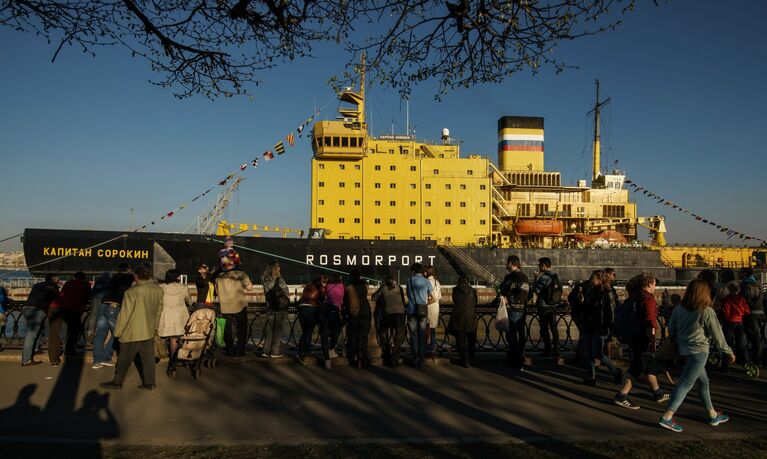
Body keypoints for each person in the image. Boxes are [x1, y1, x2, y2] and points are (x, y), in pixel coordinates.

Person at [658, 278, 734, 433]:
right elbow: (718, 335)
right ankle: (667, 416)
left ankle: (713, 415)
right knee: (685, 384)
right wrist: (728, 352)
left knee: (703, 383)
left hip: (684, 351)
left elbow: (671, 329)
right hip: (699, 352)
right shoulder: (706, 311)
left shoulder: (679, 309)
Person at [100, 263, 164, 390]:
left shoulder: (131, 291)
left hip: (132, 331)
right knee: (148, 359)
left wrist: (117, 332)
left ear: (136, 276)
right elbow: (159, 310)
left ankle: (117, 382)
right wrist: (154, 326)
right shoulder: (158, 290)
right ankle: (150, 382)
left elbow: (125, 314)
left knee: (124, 359)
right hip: (148, 330)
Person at [614, 273, 669, 409]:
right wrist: (652, 340)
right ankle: (621, 395)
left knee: (647, 363)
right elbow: (650, 320)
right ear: (649, 283)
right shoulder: (648, 298)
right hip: (643, 336)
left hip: (633, 335)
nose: (655, 286)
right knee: (637, 367)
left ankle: (658, 393)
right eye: (654, 283)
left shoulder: (634, 296)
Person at [580, 271, 622, 386]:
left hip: (599, 326)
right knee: (588, 352)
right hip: (589, 324)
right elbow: (588, 308)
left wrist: (609, 327)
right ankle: (591, 376)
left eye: (592, 278)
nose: (590, 280)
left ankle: (616, 371)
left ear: (599, 279)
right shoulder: (591, 291)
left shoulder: (606, 292)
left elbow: (610, 311)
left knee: (597, 353)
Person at [92, 264, 134, 369]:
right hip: (115, 306)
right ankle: (106, 357)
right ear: (128, 269)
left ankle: (97, 360)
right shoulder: (129, 278)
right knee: (118, 333)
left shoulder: (113, 278)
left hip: (103, 304)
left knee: (100, 333)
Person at [48, 271, 91, 365]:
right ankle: (69, 349)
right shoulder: (86, 284)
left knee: (54, 333)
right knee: (75, 328)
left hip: (55, 307)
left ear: (74, 277)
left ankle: (53, 359)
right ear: (84, 278)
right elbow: (88, 296)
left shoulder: (68, 282)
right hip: (72, 308)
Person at [215, 256, 254, 357]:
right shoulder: (241, 274)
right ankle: (241, 351)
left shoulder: (219, 277)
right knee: (242, 329)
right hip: (239, 305)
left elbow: (216, 291)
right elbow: (249, 288)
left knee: (227, 330)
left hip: (225, 306)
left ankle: (230, 351)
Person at [498, 255, 529, 371]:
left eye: (507, 262)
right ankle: (514, 361)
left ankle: (518, 362)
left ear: (511, 263)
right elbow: (502, 289)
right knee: (510, 336)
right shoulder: (510, 277)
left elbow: (524, 294)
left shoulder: (521, 277)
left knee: (512, 336)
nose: (505, 264)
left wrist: (509, 300)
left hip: (516, 310)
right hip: (510, 309)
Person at [21, 274, 59, 366]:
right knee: (31, 333)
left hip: (26, 307)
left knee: (37, 330)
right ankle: (26, 360)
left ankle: (35, 349)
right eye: (57, 279)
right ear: (52, 279)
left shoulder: (37, 285)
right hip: (37, 309)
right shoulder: (53, 286)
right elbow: (57, 299)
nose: (58, 280)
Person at [372, 277, 407, 367]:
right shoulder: (399, 288)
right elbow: (403, 300)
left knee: (382, 332)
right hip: (400, 314)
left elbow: (374, 296)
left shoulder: (383, 288)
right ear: (394, 282)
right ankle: (394, 360)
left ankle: (387, 352)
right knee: (398, 338)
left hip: (389, 314)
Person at [530, 257, 561, 357]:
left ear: (543, 266)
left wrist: (535, 277)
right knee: (553, 328)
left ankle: (547, 350)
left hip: (544, 306)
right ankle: (556, 350)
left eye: (539, 265)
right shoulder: (556, 276)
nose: (539, 267)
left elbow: (536, 290)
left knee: (544, 329)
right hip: (554, 306)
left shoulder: (544, 277)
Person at [405, 262, 434, 369]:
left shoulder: (409, 281)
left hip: (412, 311)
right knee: (422, 337)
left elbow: (408, 295)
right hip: (423, 312)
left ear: (413, 271)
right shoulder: (426, 282)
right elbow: (433, 298)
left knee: (414, 337)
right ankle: (421, 362)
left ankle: (415, 360)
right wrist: (425, 304)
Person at [157, 269, 192, 358]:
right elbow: (190, 302)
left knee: (162, 336)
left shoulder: (161, 287)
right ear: (177, 277)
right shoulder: (183, 287)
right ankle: (173, 358)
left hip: (164, 314)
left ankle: (163, 355)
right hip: (179, 316)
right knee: (174, 338)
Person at [262, 260, 290, 359]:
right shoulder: (280, 280)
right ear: (275, 268)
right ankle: (274, 351)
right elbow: (286, 293)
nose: (280, 268)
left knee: (269, 329)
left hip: (269, 307)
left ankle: (266, 351)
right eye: (278, 266)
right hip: (279, 308)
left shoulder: (265, 279)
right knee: (278, 330)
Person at [448, 276, 478, 368]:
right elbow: (476, 301)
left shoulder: (455, 290)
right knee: (471, 335)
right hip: (471, 316)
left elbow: (454, 301)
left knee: (461, 339)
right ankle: (471, 354)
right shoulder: (473, 291)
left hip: (459, 316)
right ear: (468, 282)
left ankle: (465, 360)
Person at [296, 276, 326, 365]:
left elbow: (303, 296)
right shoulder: (320, 287)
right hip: (311, 309)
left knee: (305, 331)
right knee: (308, 331)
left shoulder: (307, 285)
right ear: (321, 281)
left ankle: (301, 351)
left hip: (301, 307)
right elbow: (322, 299)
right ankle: (307, 353)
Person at [720, 282, 750, 369]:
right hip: (739, 322)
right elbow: (747, 311)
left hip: (729, 322)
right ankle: (745, 362)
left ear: (729, 289)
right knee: (741, 344)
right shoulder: (742, 299)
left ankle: (725, 365)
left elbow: (726, 312)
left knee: (727, 343)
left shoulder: (726, 299)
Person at [344, 269, 371, 367]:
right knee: (363, 335)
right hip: (365, 311)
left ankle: (353, 357)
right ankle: (363, 357)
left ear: (351, 276)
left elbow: (346, 300)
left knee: (354, 335)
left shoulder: (349, 286)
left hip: (354, 313)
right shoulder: (365, 285)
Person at [319, 273, 345, 369]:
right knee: (337, 328)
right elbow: (344, 299)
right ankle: (331, 349)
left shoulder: (328, 286)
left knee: (324, 335)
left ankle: (327, 360)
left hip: (324, 309)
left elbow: (324, 296)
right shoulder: (342, 286)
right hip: (334, 310)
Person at [739, 268, 764, 365]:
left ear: (744, 274)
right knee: (757, 337)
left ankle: (757, 360)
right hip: (759, 312)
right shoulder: (758, 284)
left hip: (751, 313)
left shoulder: (745, 285)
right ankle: (758, 358)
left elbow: (745, 301)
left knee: (753, 337)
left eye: (740, 273)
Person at [424, 265, 442, 358]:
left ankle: (427, 348)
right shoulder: (437, 282)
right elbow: (439, 297)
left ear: (426, 272)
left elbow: (426, 296)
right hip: (436, 307)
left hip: (428, 307)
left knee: (426, 329)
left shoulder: (426, 282)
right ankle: (433, 348)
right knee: (432, 330)